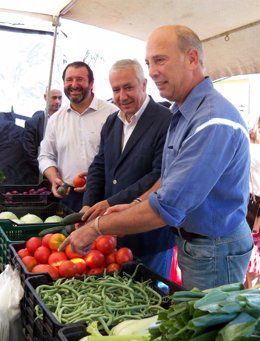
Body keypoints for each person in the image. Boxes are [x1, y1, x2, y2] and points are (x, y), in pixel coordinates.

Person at [60, 25, 253, 290]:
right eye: (149, 62)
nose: (152, 70)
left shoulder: (211, 120)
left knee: (210, 328)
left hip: (215, 246)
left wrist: (96, 228)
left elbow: (169, 205)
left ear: (192, 59)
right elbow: (168, 179)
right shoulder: (183, 112)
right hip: (196, 243)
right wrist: (135, 203)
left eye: (160, 60)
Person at [79, 59, 175, 277]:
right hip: (113, 237)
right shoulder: (112, 122)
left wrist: (110, 203)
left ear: (143, 84)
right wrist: (88, 205)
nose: (122, 96)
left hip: (150, 238)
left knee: (151, 298)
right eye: (116, 89)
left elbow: (158, 175)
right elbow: (99, 166)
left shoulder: (166, 121)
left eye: (128, 87)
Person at [38, 61, 118, 211]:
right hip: (70, 197)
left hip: (106, 195)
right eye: (69, 80)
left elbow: (122, 156)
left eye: (80, 79)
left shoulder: (112, 113)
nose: (74, 85)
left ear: (91, 83)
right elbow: (45, 156)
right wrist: (54, 178)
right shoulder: (56, 119)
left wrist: (97, 179)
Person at [23, 88, 63, 183]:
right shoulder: (32, 123)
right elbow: (30, 154)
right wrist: (49, 173)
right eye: (54, 98)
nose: (57, 101)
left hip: (66, 176)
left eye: (60, 98)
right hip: (42, 177)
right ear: (45, 97)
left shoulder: (69, 120)